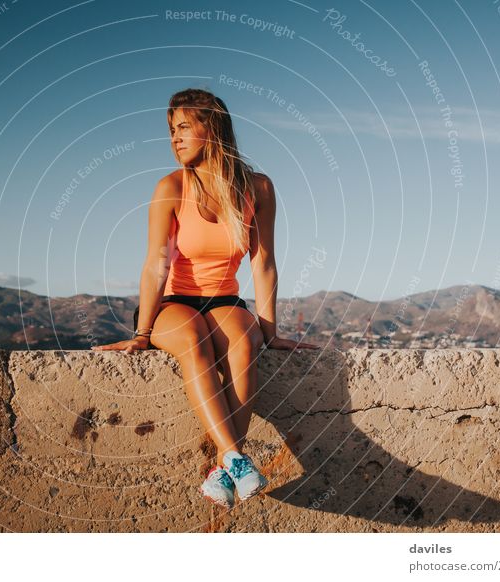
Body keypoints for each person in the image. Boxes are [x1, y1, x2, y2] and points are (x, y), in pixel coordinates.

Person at [92, 88, 319, 509]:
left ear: (211, 129)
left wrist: (270, 332)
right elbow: (156, 264)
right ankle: (235, 457)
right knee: (193, 340)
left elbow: (263, 263)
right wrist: (142, 333)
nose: (174, 139)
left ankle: (221, 469)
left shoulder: (258, 188)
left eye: (182, 128)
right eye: (171, 130)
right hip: (172, 302)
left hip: (224, 301)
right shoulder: (172, 187)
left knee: (244, 341)